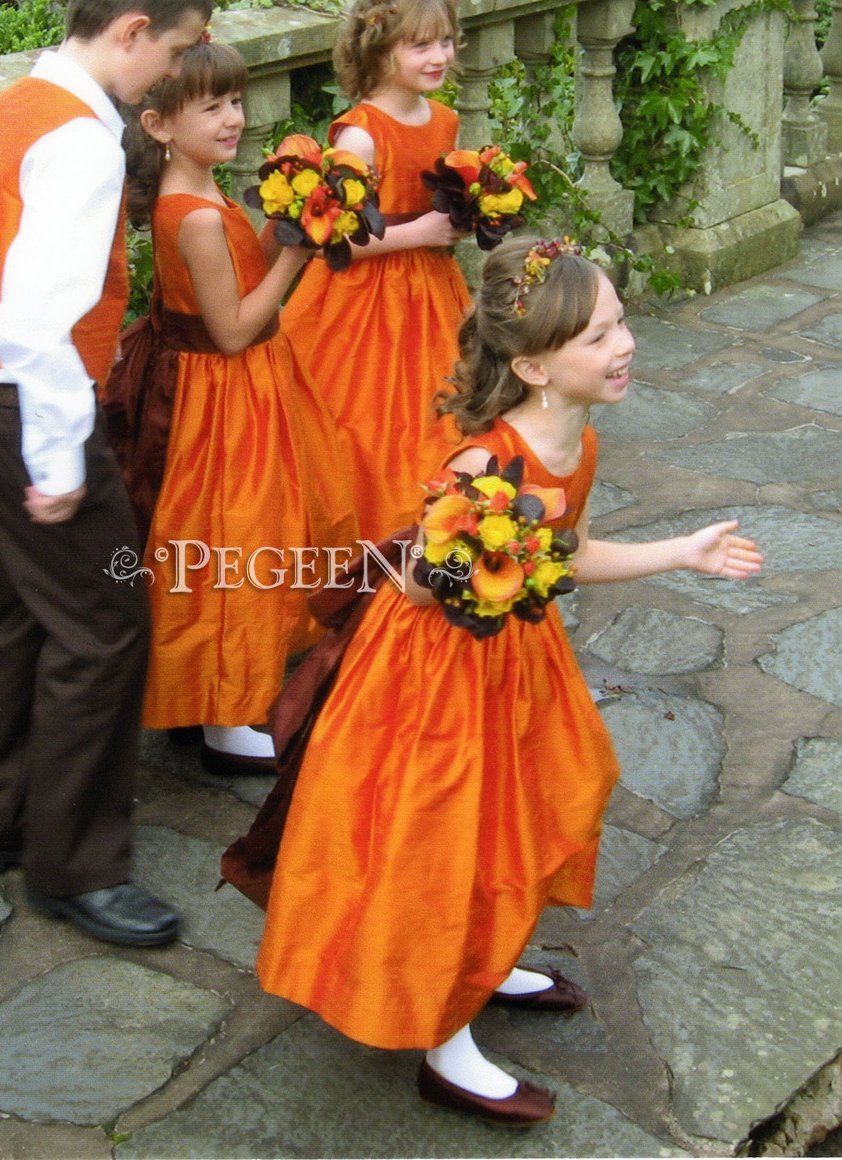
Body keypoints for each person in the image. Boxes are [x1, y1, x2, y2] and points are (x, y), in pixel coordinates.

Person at [254, 237, 763, 1124]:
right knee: (447, 842)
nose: (624, 345)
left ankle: (484, 960)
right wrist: (469, 546)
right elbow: (414, 582)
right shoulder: (480, 465)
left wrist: (682, 552)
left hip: (516, 661)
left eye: (620, 323)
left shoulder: (580, 442)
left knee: (551, 794)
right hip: (435, 676)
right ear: (532, 365)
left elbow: (566, 554)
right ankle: (443, 1040)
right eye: (599, 335)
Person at [0, 0, 213, 947]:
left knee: (22, 614)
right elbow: (40, 323)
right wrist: (54, 461)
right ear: (132, 31)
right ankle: (73, 867)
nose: (175, 71)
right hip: (36, 414)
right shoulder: (85, 144)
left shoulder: (12, 105)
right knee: (106, 623)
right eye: (176, 53)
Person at [115, 40, 358, 771]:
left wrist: (277, 221)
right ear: (159, 125)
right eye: (212, 106)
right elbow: (233, 328)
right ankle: (224, 716)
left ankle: (211, 694)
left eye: (235, 102)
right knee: (236, 543)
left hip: (232, 391)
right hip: (222, 401)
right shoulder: (190, 214)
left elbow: (234, 267)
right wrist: (300, 247)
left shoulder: (205, 195)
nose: (233, 119)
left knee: (240, 542)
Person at [280, 0, 471, 545]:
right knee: (366, 428)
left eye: (445, 41)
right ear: (380, 49)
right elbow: (333, 237)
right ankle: (369, 551)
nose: (439, 55)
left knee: (443, 414)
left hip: (434, 294)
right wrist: (422, 234)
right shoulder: (360, 136)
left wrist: (468, 212)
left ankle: (440, 537)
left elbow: (435, 200)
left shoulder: (445, 120)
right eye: (420, 45)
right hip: (363, 304)